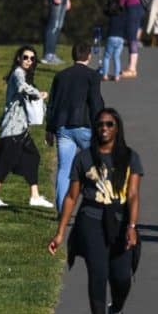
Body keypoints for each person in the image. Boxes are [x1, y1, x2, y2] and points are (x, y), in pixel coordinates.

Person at [48, 108, 143, 314]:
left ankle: (117, 310)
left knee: (122, 277)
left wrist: (132, 226)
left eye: (109, 124)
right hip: (90, 220)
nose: (104, 128)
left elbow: (133, 195)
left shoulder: (130, 157)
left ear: (117, 128)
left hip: (120, 220)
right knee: (97, 275)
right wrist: (60, 233)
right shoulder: (84, 158)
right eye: (100, 124)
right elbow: (71, 196)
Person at [0, 46, 53, 209]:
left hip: (20, 129)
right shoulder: (18, 73)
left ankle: (35, 196)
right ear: (18, 59)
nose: (29, 61)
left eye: (32, 58)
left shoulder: (24, 74)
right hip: (12, 129)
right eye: (25, 57)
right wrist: (39, 94)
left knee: (33, 157)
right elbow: (23, 88)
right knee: (4, 163)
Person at [45, 42, 104, 210]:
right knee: (96, 166)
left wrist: (49, 129)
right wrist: (100, 128)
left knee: (64, 168)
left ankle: (62, 209)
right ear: (89, 56)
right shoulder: (92, 76)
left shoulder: (61, 76)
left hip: (63, 128)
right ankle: (99, 203)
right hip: (86, 127)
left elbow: (53, 104)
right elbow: (95, 103)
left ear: (73, 55)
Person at [106, 0, 143, 78]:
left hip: (131, 6)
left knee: (132, 37)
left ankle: (132, 69)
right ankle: (131, 67)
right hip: (137, 6)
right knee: (132, 37)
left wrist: (119, 7)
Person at [99, 0, 125, 81]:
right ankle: (117, 75)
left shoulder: (110, 16)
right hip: (120, 39)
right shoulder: (122, 16)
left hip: (111, 37)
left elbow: (104, 11)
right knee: (116, 57)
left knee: (107, 56)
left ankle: (105, 75)